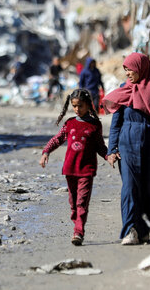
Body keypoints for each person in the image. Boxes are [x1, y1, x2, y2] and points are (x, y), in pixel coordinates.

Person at [103, 52, 150, 245]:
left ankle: (144, 230)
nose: (127, 73)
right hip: (127, 145)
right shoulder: (124, 90)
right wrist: (112, 149)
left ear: (141, 68)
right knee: (130, 189)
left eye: (130, 68)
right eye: (125, 69)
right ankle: (130, 230)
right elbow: (116, 123)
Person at [39, 89, 108, 246]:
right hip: (70, 169)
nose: (77, 109)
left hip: (86, 170)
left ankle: (78, 232)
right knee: (73, 204)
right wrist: (46, 152)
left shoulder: (95, 125)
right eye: (74, 106)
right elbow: (58, 139)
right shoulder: (69, 123)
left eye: (80, 106)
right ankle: (76, 221)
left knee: (81, 203)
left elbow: (100, 146)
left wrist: (108, 156)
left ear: (88, 105)